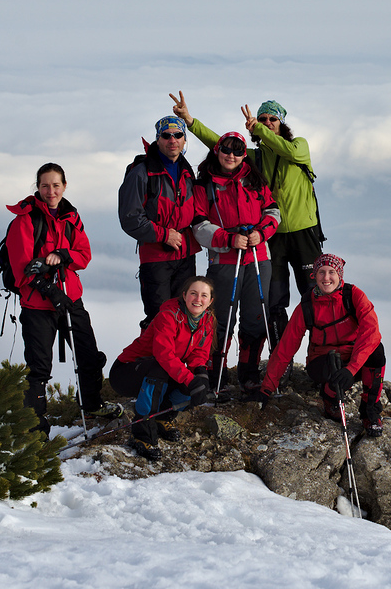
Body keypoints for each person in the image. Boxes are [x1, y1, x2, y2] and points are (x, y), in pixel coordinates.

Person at [170, 92, 322, 344]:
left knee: (315, 294)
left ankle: (320, 351)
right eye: (262, 119)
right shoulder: (256, 157)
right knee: (274, 300)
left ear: (282, 123)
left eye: (273, 118)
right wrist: (190, 121)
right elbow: (223, 146)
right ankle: (278, 358)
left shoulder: (299, 146)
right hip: (270, 236)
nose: (267, 122)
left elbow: (289, 151)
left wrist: (260, 131)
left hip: (304, 232)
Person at [6, 162, 123, 436]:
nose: (51, 191)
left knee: (89, 356)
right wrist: (51, 290)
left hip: (70, 299)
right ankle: (35, 431)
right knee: (38, 369)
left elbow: (84, 254)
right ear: (37, 187)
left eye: (56, 185)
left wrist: (63, 255)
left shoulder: (71, 217)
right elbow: (22, 270)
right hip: (38, 305)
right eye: (45, 185)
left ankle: (92, 404)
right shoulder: (24, 220)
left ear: (64, 186)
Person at [257, 254, 386, 438]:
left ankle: (370, 411)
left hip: (352, 359)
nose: (326, 278)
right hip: (322, 360)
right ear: (314, 276)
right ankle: (329, 398)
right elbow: (286, 346)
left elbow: (371, 332)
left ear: (339, 275)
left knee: (377, 351)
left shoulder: (353, 295)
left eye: (331, 272)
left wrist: (351, 368)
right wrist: (266, 388)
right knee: (333, 369)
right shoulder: (307, 305)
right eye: (321, 272)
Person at [191, 131, 281, 393]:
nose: (231, 155)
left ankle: (248, 372)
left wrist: (260, 234)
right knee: (220, 318)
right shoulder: (205, 185)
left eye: (238, 151)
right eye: (226, 150)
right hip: (224, 260)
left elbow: (272, 211)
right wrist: (228, 239)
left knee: (255, 316)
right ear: (217, 151)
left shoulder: (254, 181)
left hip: (258, 257)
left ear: (244, 154)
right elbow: (198, 225)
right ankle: (214, 372)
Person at [109, 276, 216, 461]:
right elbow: (163, 355)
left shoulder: (206, 321)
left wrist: (201, 374)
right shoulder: (169, 315)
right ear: (184, 295)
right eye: (193, 293)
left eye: (204, 295)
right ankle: (142, 435)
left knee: (194, 382)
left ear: (210, 301)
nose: (198, 299)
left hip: (161, 370)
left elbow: (199, 354)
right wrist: (190, 380)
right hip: (126, 372)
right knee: (163, 370)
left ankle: (163, 417)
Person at [118, 115, 200, 329]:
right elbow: (130, 218)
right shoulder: (141, 172)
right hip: (156, 256)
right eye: (166, 135)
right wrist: (165, 235)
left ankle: (181, 363)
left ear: (184, 140)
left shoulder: (187, 170)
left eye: (178, 135)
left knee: (187, 314)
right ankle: (153, 362)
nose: (172, 140)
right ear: (158, 139)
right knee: (159, 318)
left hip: (185, 254)